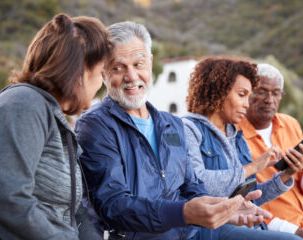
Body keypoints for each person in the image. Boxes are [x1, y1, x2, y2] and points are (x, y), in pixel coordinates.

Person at [75, 21, 271, 240]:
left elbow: (192, 185)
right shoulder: (95, 126)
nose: (131, 77)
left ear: (149, 63)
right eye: (117, 68)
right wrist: (183, 213)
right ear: (103, 73)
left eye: (138, 64)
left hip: (192, 234)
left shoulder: (171, 124)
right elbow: (114, 206)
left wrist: (220, 208)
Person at [0, 13, 113, 239]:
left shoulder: (51, 114)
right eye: (101, 72)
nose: (102, 82)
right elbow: (6, 196)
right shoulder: (23, 104)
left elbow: (73, 211)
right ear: (80, 69)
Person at [182, 57, 303, 240]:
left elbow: (250, 197)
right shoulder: (188, 129)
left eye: (248, 96)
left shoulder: (235, 137)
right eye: (242, 95)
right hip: (209, 230)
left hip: (242, 225)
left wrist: (286, 175)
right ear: (219, 92)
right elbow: (198, 182)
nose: (247, 105)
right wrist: (254, 167)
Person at [238, 63, 303, 240]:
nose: (269, 99)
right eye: (261, 91)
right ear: (247, 93)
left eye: (275, 93)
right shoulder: (235, 135)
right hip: (277, 232)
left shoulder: (290, 124)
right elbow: (244, 205)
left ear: (282, 96)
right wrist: (297, 233)